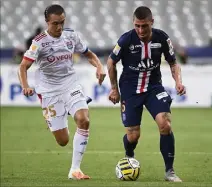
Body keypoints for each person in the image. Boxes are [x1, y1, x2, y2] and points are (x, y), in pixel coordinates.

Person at [18, 4, 106, 180]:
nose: (59, 27)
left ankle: (75, 170)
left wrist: (99, 66)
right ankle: (62, 111)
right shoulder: (39, 42)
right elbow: (23, 66)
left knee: (83, 119)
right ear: (47, 22)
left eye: (62, 22)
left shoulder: (71, 36)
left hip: (70, 84)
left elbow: (88, 54)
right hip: (49, 90)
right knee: (63, 140)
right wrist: (25, 86)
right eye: (55, 23)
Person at [107, 6, 186, 182]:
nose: (141, 30)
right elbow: (111, 62)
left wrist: (178, 82)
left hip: (153, 87)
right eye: (137, 26)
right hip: (130, 89)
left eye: (144, 26)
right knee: (133, 135)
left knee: (165, 123)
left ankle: (169, 171)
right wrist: (114, 89)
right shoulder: (126, 39)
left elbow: (173, 63)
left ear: (152, 22)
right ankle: (129, 154)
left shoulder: (162, 38)